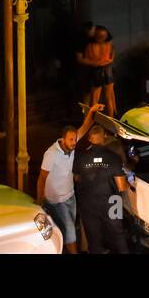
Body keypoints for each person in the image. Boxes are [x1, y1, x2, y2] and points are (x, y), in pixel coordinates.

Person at [36, 104, 102, 254]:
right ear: (63, 139)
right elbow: (42, 178)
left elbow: (86, 125)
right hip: (57, 201)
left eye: (75, 139)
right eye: (71, 140)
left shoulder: (71, 146)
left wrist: (92, 110)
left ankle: (60, 248)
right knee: (71, 232)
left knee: (68, 227)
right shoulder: (51, 154)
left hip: (70, 196)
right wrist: (40, 198)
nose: (74, 142)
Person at [73, 123, 130, 254]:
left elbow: (76, 178)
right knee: (118, 235)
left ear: (89, 139)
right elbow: (121, 187)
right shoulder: (114, 158)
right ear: (104, 136)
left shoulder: (80, 158)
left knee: (93, 240)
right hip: (112, 202)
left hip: (88, 203)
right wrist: (128, 181)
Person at [81, 25, 117, 116]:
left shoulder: (91, 46)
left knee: (94, 100)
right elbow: (113, 51)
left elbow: (86, 58)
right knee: (109, 98)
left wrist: (96, 62)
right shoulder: (108, 45)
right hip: (108, 69)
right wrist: (110, 59)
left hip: (96, 70)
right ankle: (111, 121)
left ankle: (92, 122)